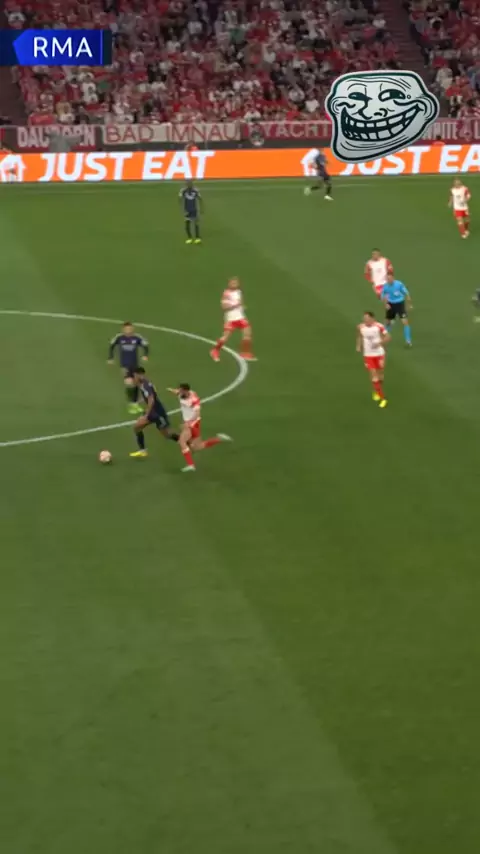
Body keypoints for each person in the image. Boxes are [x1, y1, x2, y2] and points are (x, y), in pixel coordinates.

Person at [167, 384, 232, 472]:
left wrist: (188, 423)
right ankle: (219, 439)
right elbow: (176, 392)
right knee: (197, 447)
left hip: (193, 424)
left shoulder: (194, 400)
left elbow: (197, 414)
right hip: (192, 424)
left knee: (182, 441)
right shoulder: (181, 394)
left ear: (186, 391)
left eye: (181, 391)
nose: (179, 392)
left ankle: (191, 465)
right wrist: (171, 390)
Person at [129, 368, 179, 458]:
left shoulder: (145, 385)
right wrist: (141, 401)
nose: (134, 378)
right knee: (137, 427)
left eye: (135, 375)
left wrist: (146, 415)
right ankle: (143, 451)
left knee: (167, 435)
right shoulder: (144, 384)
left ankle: (186, 442)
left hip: (158, 413)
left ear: (140, 375)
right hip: (152, 412)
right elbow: (151, 395)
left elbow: (151, 400)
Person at [210, 277, 256, 362]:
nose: (235, 284)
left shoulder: (239, 292)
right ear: (229, 284)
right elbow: (224, 307)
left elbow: (241, 302)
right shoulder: (226, 294)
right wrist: (235, 306)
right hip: (231, 319)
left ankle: (245, 353)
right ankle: (215, 350)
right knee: (225, 337)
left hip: (240, 317)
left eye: (236, 283)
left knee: (247, 333)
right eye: (233, 283)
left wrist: (242, 307)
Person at [108, 321, 149, 414]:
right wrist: (110, 357)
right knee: (129, 383)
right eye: (126, 329)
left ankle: (135, 404)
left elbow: (145, 345)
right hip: (124, 365)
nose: (128, 330)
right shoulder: (119, 337)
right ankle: (131, 404)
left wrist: (145, 355)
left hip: (135, 365)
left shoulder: (137, 337)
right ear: (123, 329)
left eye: (130, 328)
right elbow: (111, 345)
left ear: (132, 329)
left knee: (136, 384)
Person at [356, 311, 390, 408]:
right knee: (374, 376)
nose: (365, 320)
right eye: (364, 318)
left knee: (380, 376)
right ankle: (383, 398)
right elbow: (359, 336)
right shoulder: (360, 327)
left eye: (367, 318)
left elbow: (388, 337)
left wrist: (380, 343)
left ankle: (377, 390)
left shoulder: (379, 326)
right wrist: (358, 346)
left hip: (379, 354)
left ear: (372, 318)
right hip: (368, 355)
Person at [381, 272, 413, 347]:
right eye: (387, 279)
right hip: (391, 305)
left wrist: (409, 304)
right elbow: (383, 296)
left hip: (400, 304)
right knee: (387, 322)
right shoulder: (385, 286)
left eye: (390, 278)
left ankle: (408, 340)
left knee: (405, 322)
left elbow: (406, 293)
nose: (389, 280)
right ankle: (384, 338)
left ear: (393, 278)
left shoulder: (399, 284)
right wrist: (386, 304)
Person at [180, 180, 202, 244]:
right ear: (186, 185)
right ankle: (189, 238)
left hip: (194, 209)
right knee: (187, 224)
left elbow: (200, 198)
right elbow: (180, 198)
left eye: (190, 184)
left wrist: (201, 208)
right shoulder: (183, 191)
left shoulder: (195, 191)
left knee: (196, 223)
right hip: (187, 210)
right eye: (188, 184)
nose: (189, 185)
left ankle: (197, 237)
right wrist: (182, 208)